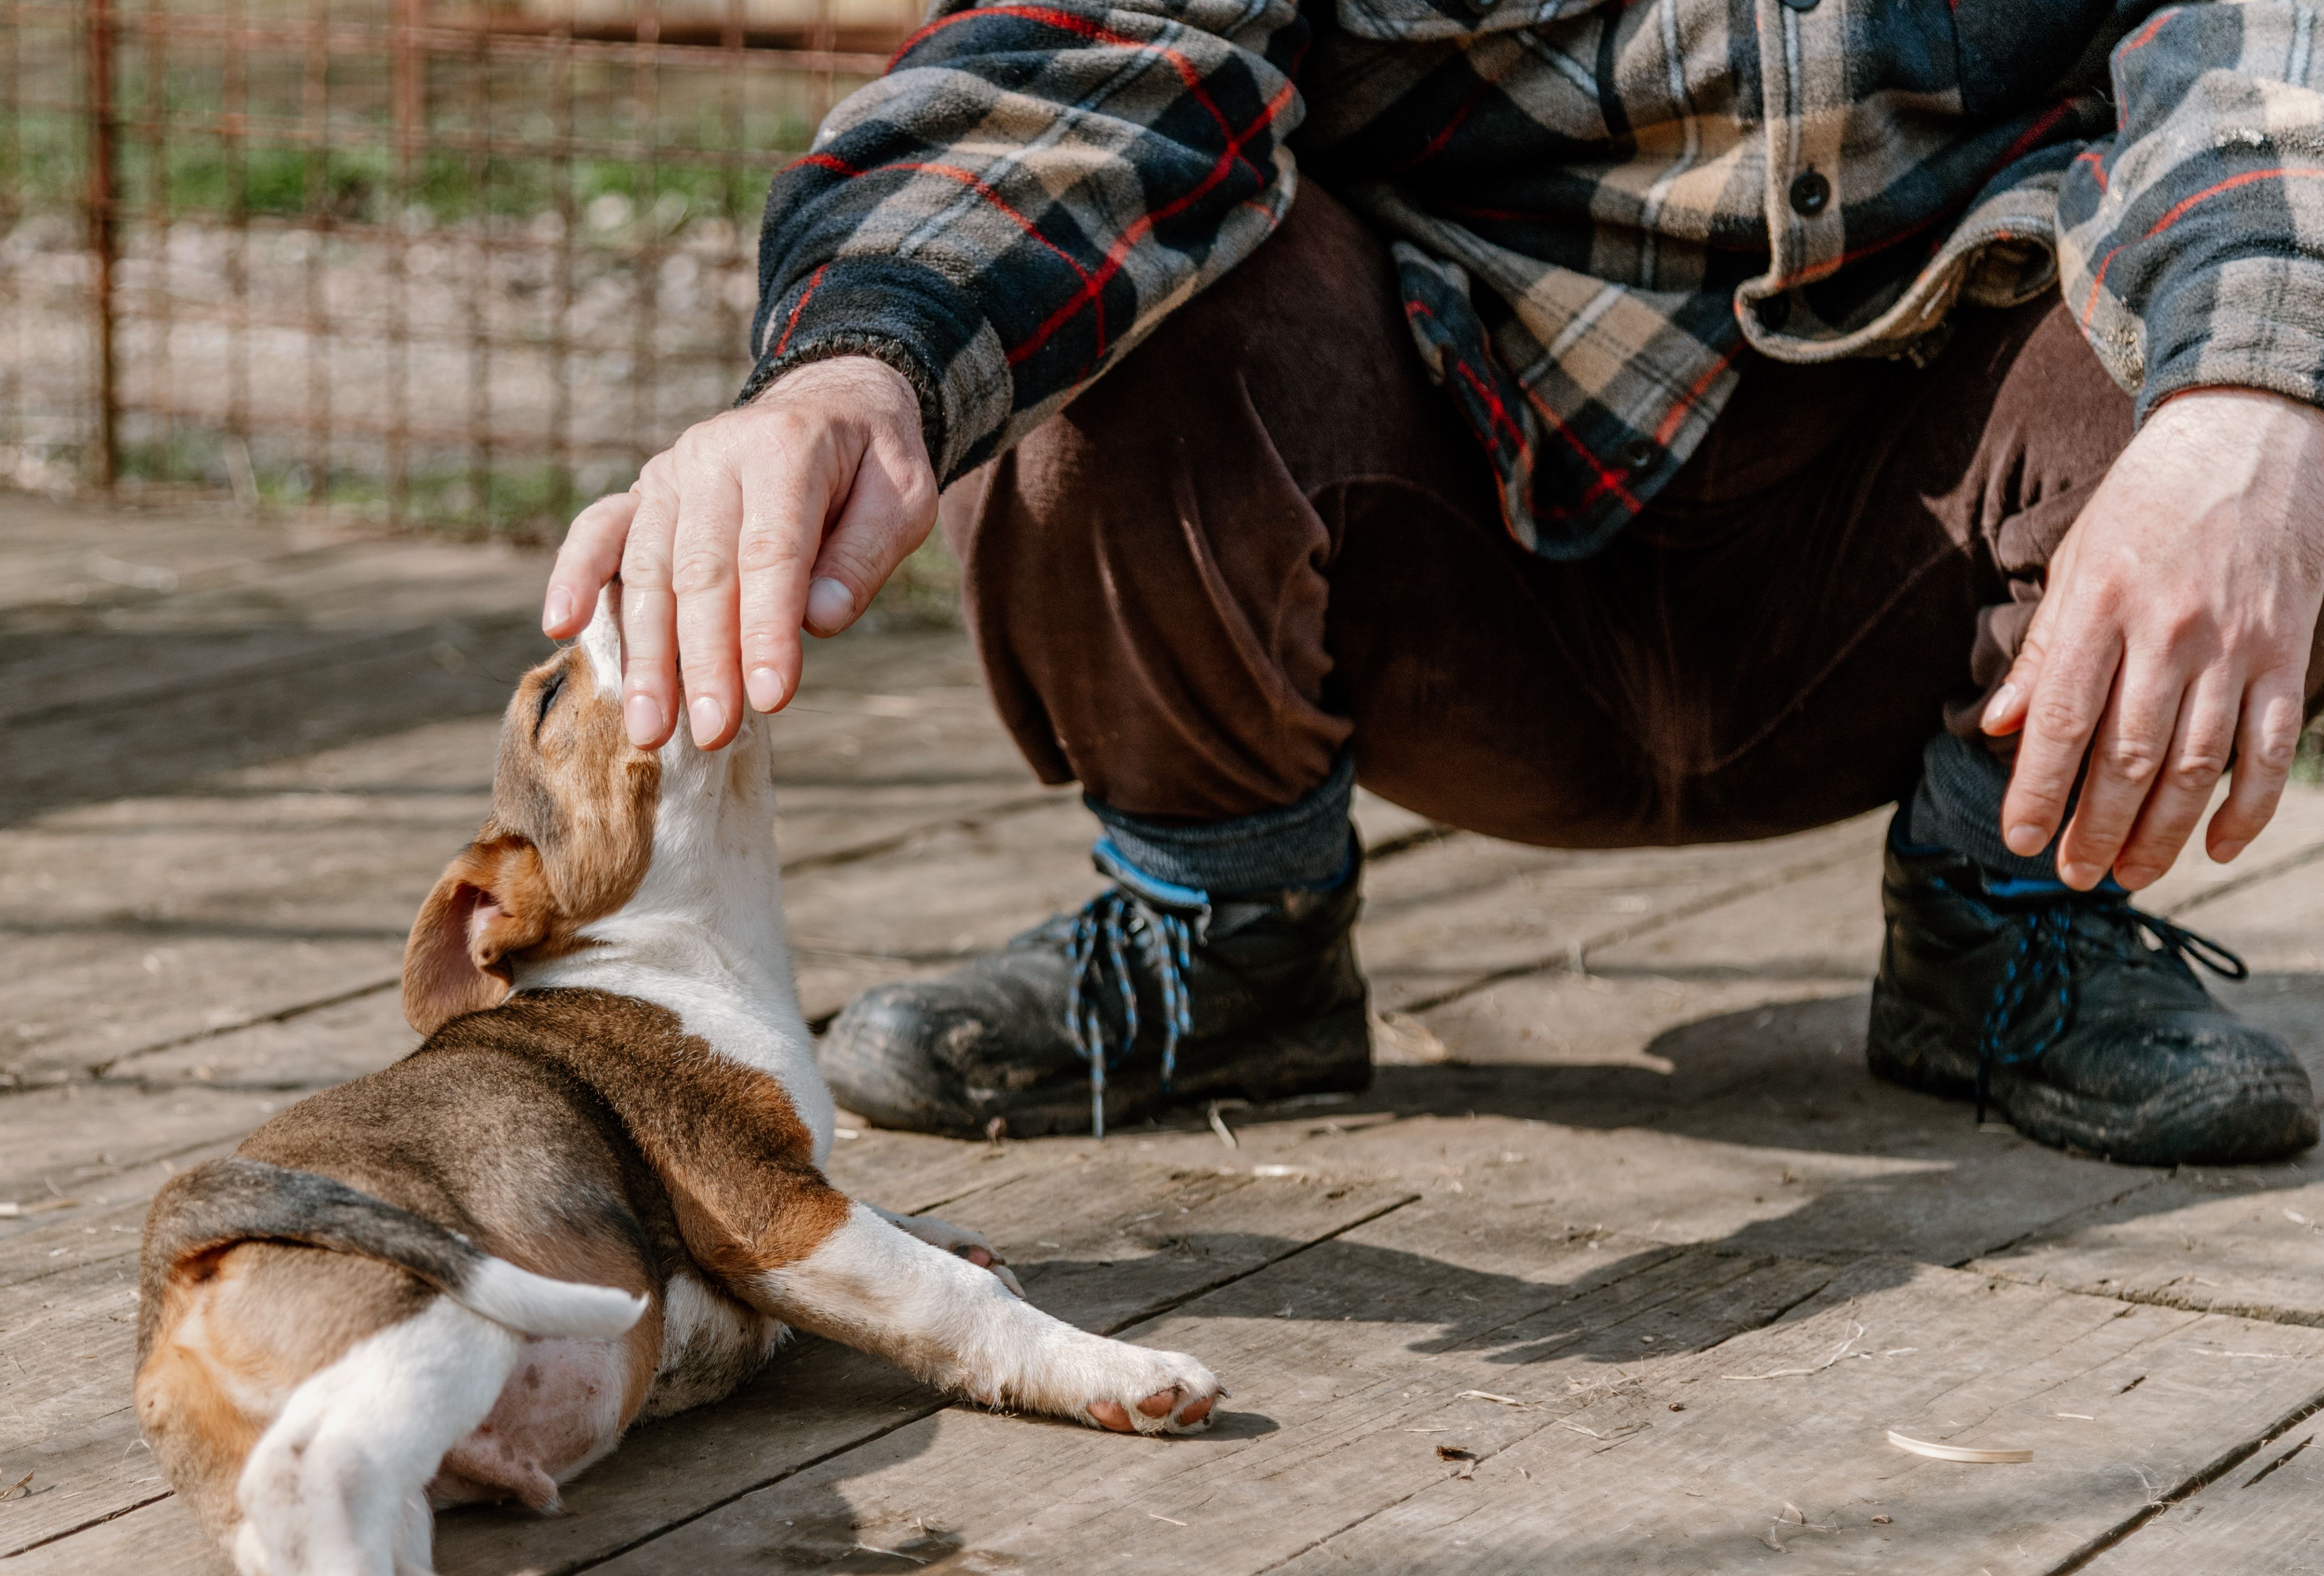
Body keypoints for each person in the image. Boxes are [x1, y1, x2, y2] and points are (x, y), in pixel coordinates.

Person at [537, 0, 2324, 1165]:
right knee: (1103, 308)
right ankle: (1225, 943)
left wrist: (2255, 389)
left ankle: (2015, 930)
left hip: (1921, 538)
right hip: (1448, 531)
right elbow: (1084, 64)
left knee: (2289, 347)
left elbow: (2268, 53)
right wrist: (851, 367)